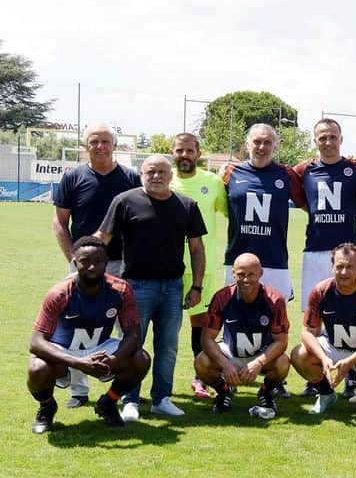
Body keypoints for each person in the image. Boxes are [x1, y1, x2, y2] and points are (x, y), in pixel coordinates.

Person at [96, 154, 206, 421]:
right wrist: (81, 264)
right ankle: (130, 399)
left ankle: (162, 399)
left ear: (171, 175)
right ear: (141, 173)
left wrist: (197, 287)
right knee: (133, 345)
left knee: (168, 346)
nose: (156, 176)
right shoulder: (125, 201)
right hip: (135, 287)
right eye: (150, 171)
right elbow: (102, 238)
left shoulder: (187, 205)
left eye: (161, 171)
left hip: (172, 287)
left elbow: (196, 248)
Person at [51, 122, 140, 407]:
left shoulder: (130, 177)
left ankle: (117, 392)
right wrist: (73, 259)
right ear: (85, 145)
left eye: (105, 141)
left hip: (120, 264)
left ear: (115, 145)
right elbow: (60, 221)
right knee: (80, 327)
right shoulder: (74, 177)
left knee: (121, 328)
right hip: (83, 267)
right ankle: (79, 390)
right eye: (94, 141)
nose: (100, 147)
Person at [27, 236, 149, 432]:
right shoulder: (59, 293)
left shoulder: (120, 289)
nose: (92, 267)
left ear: (107, 262)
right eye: (85, 261)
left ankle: (108, 403)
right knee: (36, 368)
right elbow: (36, 342)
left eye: (98, 261)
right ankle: (47, 406)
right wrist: (78, 363)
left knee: (140, 359)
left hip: (101, 348)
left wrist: (112, 359)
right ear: (75, 263)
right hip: (65, 350)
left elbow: (133, 334)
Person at [293, 118, 356, 400]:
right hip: (315, 250)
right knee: (315, 316)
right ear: (315, 140)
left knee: (348, 313)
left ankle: (349, 375)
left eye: (332, 137)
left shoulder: (355, 169)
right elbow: (301, 200)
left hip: (346, 252)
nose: (327, 142)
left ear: (341, 139)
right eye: (322, 137)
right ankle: (318, 378)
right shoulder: (305, 170)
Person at [290, 243, 356, 416]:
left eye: (349, 267)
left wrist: (349, 362)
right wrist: (323, 357)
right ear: (332, 267)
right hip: (332, 344)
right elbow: (307, 332)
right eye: (339, 266)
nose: (344, 272)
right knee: (299, 354)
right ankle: (326, 394)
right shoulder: (320, 291)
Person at [195, 254, 291, 420]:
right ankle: (224, 391)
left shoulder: (274, 299)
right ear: (233, 274)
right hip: (231, 352)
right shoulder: (222, 297)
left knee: (283, 362)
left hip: (261, 353)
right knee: (201, 362)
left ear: (260, 273)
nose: (246, 279)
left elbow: (281, 341)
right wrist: (225, 364)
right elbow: (207, 338)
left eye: (251, 274)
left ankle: (265, 393)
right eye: (241, 274)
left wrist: (258, 362)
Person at [169, 132, 228, 399]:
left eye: (189, 150)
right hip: (166, 266)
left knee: (202, 326)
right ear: (173, 152)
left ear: (198, 153)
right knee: (166, 327)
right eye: (180, 150)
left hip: (204, 267)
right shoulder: (162, 177)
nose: (185, 155)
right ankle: (161, 384)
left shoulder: (212, 182)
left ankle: (200, 377)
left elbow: (231, 213)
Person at [220, 123, 304, 301]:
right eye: (257, 141)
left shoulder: (286, 174)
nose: (262, 147)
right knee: (235, 316)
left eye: (267, 142)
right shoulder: (230, 172)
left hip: (275, 261)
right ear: (248, 143)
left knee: (276, 321)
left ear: (275, 145)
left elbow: (307, 204)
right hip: (237, 261)